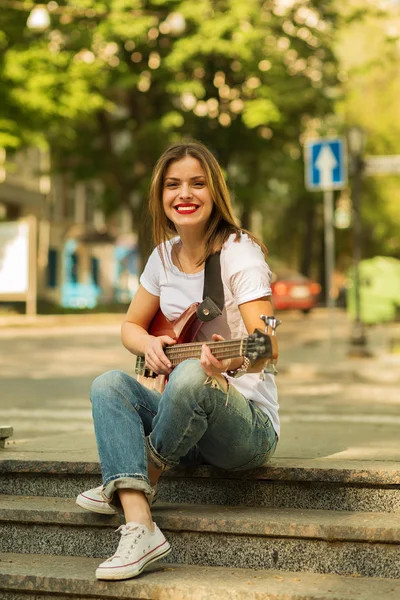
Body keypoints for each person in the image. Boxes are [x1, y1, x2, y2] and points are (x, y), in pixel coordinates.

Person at [76, 140, 279, 581]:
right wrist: (148, 342)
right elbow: (129, 327)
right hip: (183, 427)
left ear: (215, 192)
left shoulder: (240, 252)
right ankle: (140, 523)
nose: (184, 194)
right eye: (173, 185)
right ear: (161, 196)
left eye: (197, 183)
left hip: (245, 430)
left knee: (192, 374)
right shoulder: (162, 257)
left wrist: (229, 367)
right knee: (107, 385)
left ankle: (128, 481)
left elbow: (268, 345)